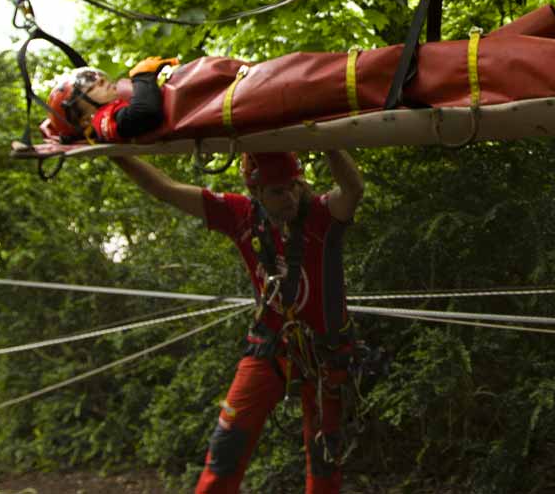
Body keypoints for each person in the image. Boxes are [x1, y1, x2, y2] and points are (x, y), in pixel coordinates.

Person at [112, 150, 365, 494]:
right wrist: (117, 154)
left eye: (293, 186)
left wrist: (329, 142)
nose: (290, 197)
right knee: (225, 451)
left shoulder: (322, 214)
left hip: (325, 357)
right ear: (257, 193)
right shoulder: (240, 215)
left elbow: (353, 189)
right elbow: (164, 188)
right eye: (277, 191)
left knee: (324, 466)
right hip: (269, 348)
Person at [44, 56, 178, 142]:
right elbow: (145, 112)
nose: (101, 80)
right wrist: (142, 76)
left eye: (97, 80)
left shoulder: (119, 105)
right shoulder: (101, 120)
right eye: (92, 88)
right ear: (85, 120)